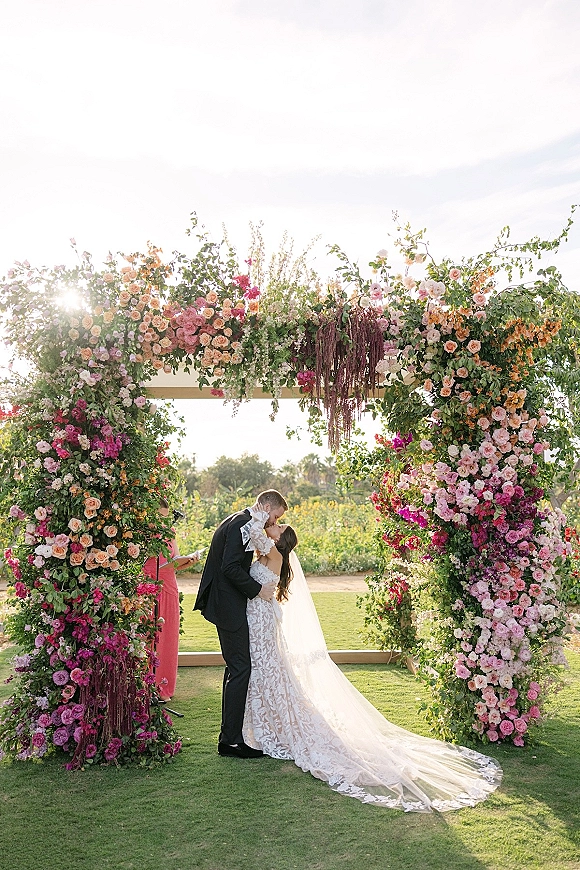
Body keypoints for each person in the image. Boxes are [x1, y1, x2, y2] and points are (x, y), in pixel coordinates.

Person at [243, 524, 503, 813]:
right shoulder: (268, 552)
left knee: (269, 669)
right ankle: (268, 720)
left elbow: (255, 538)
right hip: (255, 617)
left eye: (277, 527)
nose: (273, 527)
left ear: (281, 541)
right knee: (264, 670)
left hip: (263, 618)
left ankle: (273, 724)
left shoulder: (275, 556)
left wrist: (258, 520)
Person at [193, 490, 287, 758]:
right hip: (228, 606)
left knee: (236, 667)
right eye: (275, 516)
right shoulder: (242, 524)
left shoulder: (242, 520)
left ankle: (230, 735)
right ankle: (231, 741)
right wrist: (257, 590)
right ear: (267, 505)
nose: (273, 522)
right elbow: (230, 567)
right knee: (241, 668)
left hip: (229, 604)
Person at [143, 500, 201, 702]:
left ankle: (164, 686)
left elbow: (172, 563)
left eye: (166, 516)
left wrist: (187, 561)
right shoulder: (143, 533)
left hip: (169, 586)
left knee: (168, 637)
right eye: (160, 516)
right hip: (149, 586)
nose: (163, 520)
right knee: (150, 637)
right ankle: (146, 685)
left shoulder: (170, 531)